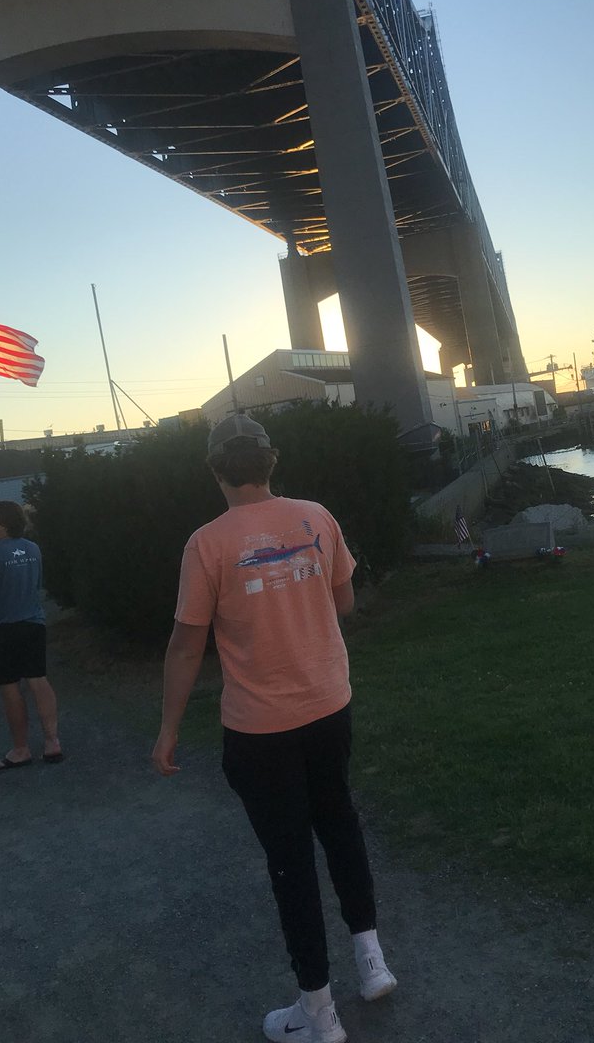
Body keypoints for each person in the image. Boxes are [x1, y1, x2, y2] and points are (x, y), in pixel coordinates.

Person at [152, 414, 396, 1043]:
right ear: (272, 462)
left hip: (260, 730)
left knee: (289, 859)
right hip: (329, 704)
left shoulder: (206, 544)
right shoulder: (317, 516)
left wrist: (168, 730)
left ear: (214, 470)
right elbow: (344, 601)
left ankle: (318, 1014)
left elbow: (186, 647)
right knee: (339, 820)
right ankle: (371, 961)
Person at [0, 500, 63, 772]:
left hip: (2, 630)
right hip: (33, 625)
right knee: (38, 679)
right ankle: (52, 742)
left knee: (9, 687)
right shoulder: (33, 549)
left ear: (4, 522)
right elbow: (37, 585)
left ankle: (20, 749)